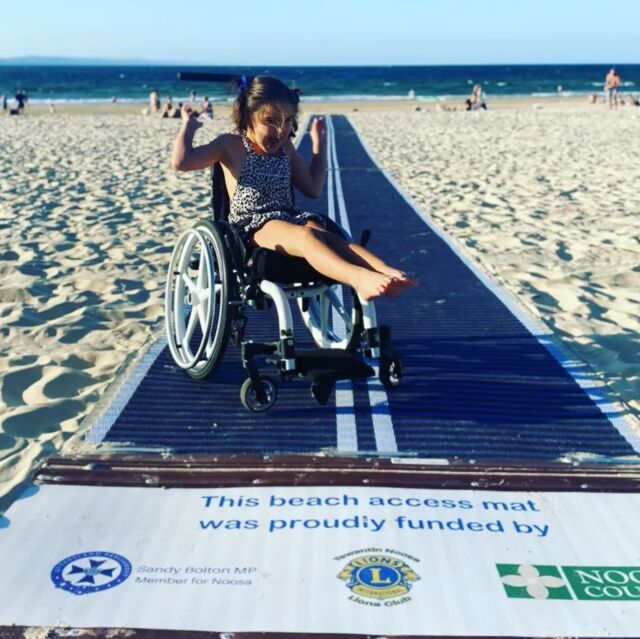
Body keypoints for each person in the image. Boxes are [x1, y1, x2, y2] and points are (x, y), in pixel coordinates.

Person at [171, 75, 416, 301]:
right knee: (306, 236)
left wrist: (319, 146)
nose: (280, 130)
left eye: (287, 121)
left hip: (289, 217)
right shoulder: (230, 145)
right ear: (248, 116)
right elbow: (181, 162)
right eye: (270, 121)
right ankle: (358, 279)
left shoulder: (284, 148)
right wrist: (188, 127)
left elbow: (312, 188)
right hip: (253, 225)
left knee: (333, 239)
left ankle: (384, 270)